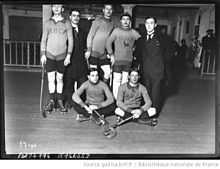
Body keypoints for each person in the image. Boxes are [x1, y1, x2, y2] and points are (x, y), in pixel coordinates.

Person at [40, 4, 73, 113]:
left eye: (59, 6)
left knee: (59, 79)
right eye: (54, 6)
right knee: (50, 79)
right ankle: (51, 101)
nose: (57, 8)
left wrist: (68, 55)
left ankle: (59, 100)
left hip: (62, 56)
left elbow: (70, 40)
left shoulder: (67, 22)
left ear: (62, 9)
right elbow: (43, 39)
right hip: (49, 55)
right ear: (52, 8)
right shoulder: (48, 23)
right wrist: (43, 54)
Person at [134, 16, 165, 116]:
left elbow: (168, 54)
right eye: (147, 23)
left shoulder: (163, 38)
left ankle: (154, 113)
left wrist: (163, 67)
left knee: (156, 93)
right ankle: (147, 111)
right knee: (146, 93)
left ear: (155, 25)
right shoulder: (140, 39)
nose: (149, 25)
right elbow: (138, 55)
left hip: (157, 71)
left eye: (151, 23)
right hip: (145, 71)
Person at [106, 13, 141, 98]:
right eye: (124, 19)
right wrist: (111, 55)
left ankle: (122, 99)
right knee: (116, 80)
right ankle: (115, 99)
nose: (125, 21)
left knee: (125, 82)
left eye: (127, 19)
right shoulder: (116, 31)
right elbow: (108, 43)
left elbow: (141, 42)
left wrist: (135, 50)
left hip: (128, 61)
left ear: (130, 21)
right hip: (117, 60)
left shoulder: (133, 32)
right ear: (121, 21)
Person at [63, 9, 88, 110]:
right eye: (74, 15)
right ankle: (69, 102)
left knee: (82, 83)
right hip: (69, 61)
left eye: (78, 16)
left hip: (81, 62)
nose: (76, 18)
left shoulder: (83, 31)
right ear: (70, 17)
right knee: (69, 83)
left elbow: (85, 45)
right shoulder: (65, 30)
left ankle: (79, 102)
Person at [85, 4, 114, 84]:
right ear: (103, 10)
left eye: (110, 9)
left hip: (103, 54)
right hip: (93, 53)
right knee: (93, 75)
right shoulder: (97, 21)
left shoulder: (112, 24)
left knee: (108, 72)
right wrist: (89, 49)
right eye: (106, 9)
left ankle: (102, 89)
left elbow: (108, 41)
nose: (108, 11)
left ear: (112, 11)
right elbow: (90, 36)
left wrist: (110, 54)